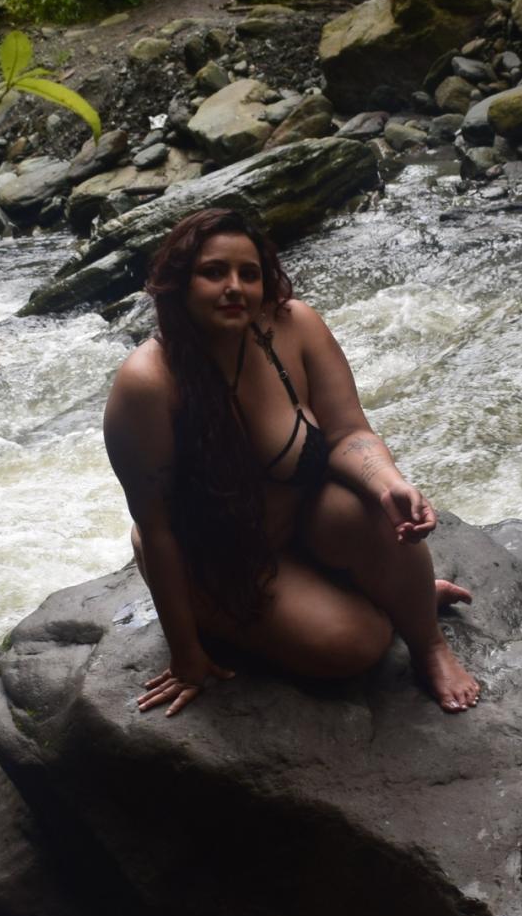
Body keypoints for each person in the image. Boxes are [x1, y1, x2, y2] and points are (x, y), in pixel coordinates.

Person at [101, 208, 482, 717]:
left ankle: (428, 642)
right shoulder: (147, 383)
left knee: (377, 508)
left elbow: (347, 433)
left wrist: (389, 482)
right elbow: (158, 530)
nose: (234, 287)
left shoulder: (293, 325)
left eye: (249, 273)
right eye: (213, 272)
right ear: (178, 284)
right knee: (358, 644)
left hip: (301, 522)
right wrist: (187, 658)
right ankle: (394, 601)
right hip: (216, 561)